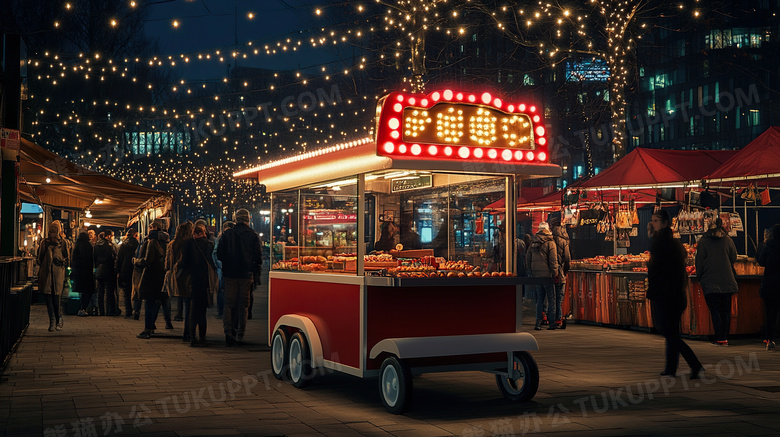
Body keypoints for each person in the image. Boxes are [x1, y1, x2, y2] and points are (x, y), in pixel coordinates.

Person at [647, 210, 702, 378]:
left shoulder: (662, 242)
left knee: (669, 332)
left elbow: (657, 269)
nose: (653, 224)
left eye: (656, 221)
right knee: (671, 333)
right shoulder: (673, 242)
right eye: (652, 221)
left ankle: (694, 364)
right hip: (675, 294)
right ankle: (671, 368)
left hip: (666, 294)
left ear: (664, 223)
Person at [217, 209, 262, 346]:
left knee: (229, 304)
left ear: (236, 219)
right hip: (246, 275)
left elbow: (220, 254)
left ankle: (228, 332)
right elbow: (258, 257)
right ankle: (240, 334)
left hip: (230, 274)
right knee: (243, 305)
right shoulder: (253, 235)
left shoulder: (227, 234)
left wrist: (227, 264)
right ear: (248, 219)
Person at [695, 217, 738, 346]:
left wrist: (700, 277)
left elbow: (699, 262)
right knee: (725, 311)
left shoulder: (703, 241)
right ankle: (724, 337)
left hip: (710, 281)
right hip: (727, 280)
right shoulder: (727, 240)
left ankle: (719, 337)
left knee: (714, 310)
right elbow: (734, 257)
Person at [181, 224, 216, 346]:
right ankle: (202, 336)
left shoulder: (188, 244)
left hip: (192, 280)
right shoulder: (209, 244)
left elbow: (184, 263)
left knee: (192, 310)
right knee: (202, 310)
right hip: (205, 281)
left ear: (194, 233)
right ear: (203, 233)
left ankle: (192, 337)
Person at [136, 219, 170, 339]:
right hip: (161, 275)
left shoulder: (152, 241)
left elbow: (147, 260)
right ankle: (151, 326)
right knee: (157, 301)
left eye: (151, 226)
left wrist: (136, 261)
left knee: (149, 302)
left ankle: (147, 328)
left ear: (155, 228)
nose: (149, 228)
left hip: (151, 275)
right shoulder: (167, 241)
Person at [37, 220, 70, 332]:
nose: (53, 234)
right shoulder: (44, 243)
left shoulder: (63, 243)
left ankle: (58, 318)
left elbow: (67, 259)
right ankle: (52, 321)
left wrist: (60, 261)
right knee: (48, 298)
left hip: (57, 274)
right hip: (46, 274)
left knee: (56, 298)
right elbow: (39, 258)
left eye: (55, 231)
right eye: (51, 231)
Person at [526, 222, 558, 331]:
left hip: (536, 275)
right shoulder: (550, 242)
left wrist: (530, 271)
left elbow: (528, 258)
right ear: (548, 230)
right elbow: (553, 260)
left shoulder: (533, 242)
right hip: (547, 275)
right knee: (551, 299)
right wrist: (555, 272)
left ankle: (538, 323)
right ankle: (552, 322)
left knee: (539, 299)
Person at [166, 221, 193, 340]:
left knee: (182, 301)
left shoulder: (172, 244)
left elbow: (167, 263)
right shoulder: (189, 244)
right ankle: (188, 332)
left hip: (176, 276)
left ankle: (178, 317)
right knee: (189, 306)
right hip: (187, 276)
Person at [758, 224, 780, 351]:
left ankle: (769, 339)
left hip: (770, 285)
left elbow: (761, 261)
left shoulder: (768, 246)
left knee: (770, 313)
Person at [551, 221, 572, 330]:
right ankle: (558, 318)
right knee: (559, 297)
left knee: (551, 297)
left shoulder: (549, 241)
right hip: (561, 273)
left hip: (550, 274)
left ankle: (551, 318)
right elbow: (568, 259)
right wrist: (565, 271)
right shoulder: (564, 242)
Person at [93, 229, 119, 316]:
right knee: (109, 292)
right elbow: (113, 257)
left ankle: (101, 311)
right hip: (108, 270)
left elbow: (94, 258)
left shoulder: (97, 245)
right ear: (108, 236)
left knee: (100, 292)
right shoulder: (110, 245)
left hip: (99, 270)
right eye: (112, 236)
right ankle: (109, 311)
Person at [214, 221, 235, 319]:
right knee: (223, 289)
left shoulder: (220, 238)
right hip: (224, 267)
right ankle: (223, 310)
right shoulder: (231, 238)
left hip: (222, 266)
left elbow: (216, 253)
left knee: (222, 290)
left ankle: (222, 310)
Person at [116, 229, 139, 318]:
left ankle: (128, 311)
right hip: (135, 269)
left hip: (125, 270)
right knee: (136, 290)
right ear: (135, 235)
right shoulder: (137, 244)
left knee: (126, 292)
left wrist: (118, 271)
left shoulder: (123, 245)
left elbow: (119, 258)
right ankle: (136, 310)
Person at [71, 231, 95, 317]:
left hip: (78, 272)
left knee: (82, 291)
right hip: (86, 272)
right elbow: (89, 259)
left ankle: (80, 308)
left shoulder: (76, 245)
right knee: (88, 291)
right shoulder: (87, 245)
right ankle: (82, 308)